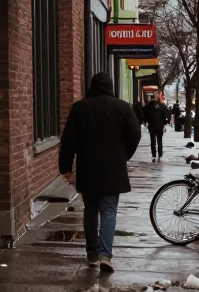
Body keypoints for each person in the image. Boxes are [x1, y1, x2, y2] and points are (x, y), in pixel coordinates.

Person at [59, 73, 141, 273]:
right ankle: (106, 254)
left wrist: (66, 167)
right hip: (113, 169)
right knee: (109, 211)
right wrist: (124, 155)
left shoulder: (80, 108)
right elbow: (135, 134)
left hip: (89, 168)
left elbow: (69, 139)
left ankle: (92, 253)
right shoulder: (123, 108)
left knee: (91, 210)